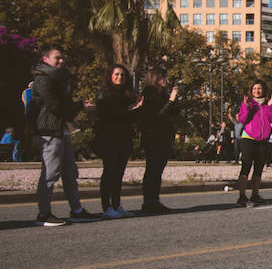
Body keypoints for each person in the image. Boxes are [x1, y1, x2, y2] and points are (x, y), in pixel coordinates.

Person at [31, 45, 100, 226]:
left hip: (61, 130)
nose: (61, 61)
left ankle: (76, 210)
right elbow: (54, 106)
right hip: (49, 132)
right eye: (57, 58)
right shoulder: (43, 79)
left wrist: (77, 107)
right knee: (50, 174)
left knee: (70, 172)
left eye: (62, 57)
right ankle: (44, 214)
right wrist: (79, 106)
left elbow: (64, 107)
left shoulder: (60, 78)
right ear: (46, 59)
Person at [94, 64, 143, 219]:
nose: (119, 78)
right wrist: (128, 110)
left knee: (119, 173)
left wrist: (137, 109)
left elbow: (131, 118)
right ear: (110, 76)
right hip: (108, 137)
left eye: (122, 75)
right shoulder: (104, 94)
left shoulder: (127, 94)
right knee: (109, 171)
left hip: (124, 137)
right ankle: (106, 206)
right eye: (116, 74)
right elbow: (106, 115)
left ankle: (117, 204)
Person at [139, 69, 179, 214]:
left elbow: (173, 113)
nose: (166, 80)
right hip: (152, 136)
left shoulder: (163, 94)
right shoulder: (148, 94)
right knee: (152, 169)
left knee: (158, 171)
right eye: (163, 77)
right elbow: (157, 115)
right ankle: (147, 201)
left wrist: (173, 100)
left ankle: (155, 200)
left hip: (165, 136)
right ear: (156, 78)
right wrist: (171, 100)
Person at [235, 81, 272, 206]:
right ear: (251, 90)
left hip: (263, 140)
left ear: (264, 90)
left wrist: (270, 105)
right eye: (254, 88)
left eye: (259, 88)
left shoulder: (268, 105)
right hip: (249, 138)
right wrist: (246, 107)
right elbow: (242, 119)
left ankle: (255, 194)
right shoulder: (249, 103)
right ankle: (242, 196)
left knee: (259, 168)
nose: (257, 91)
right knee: (246, 166)